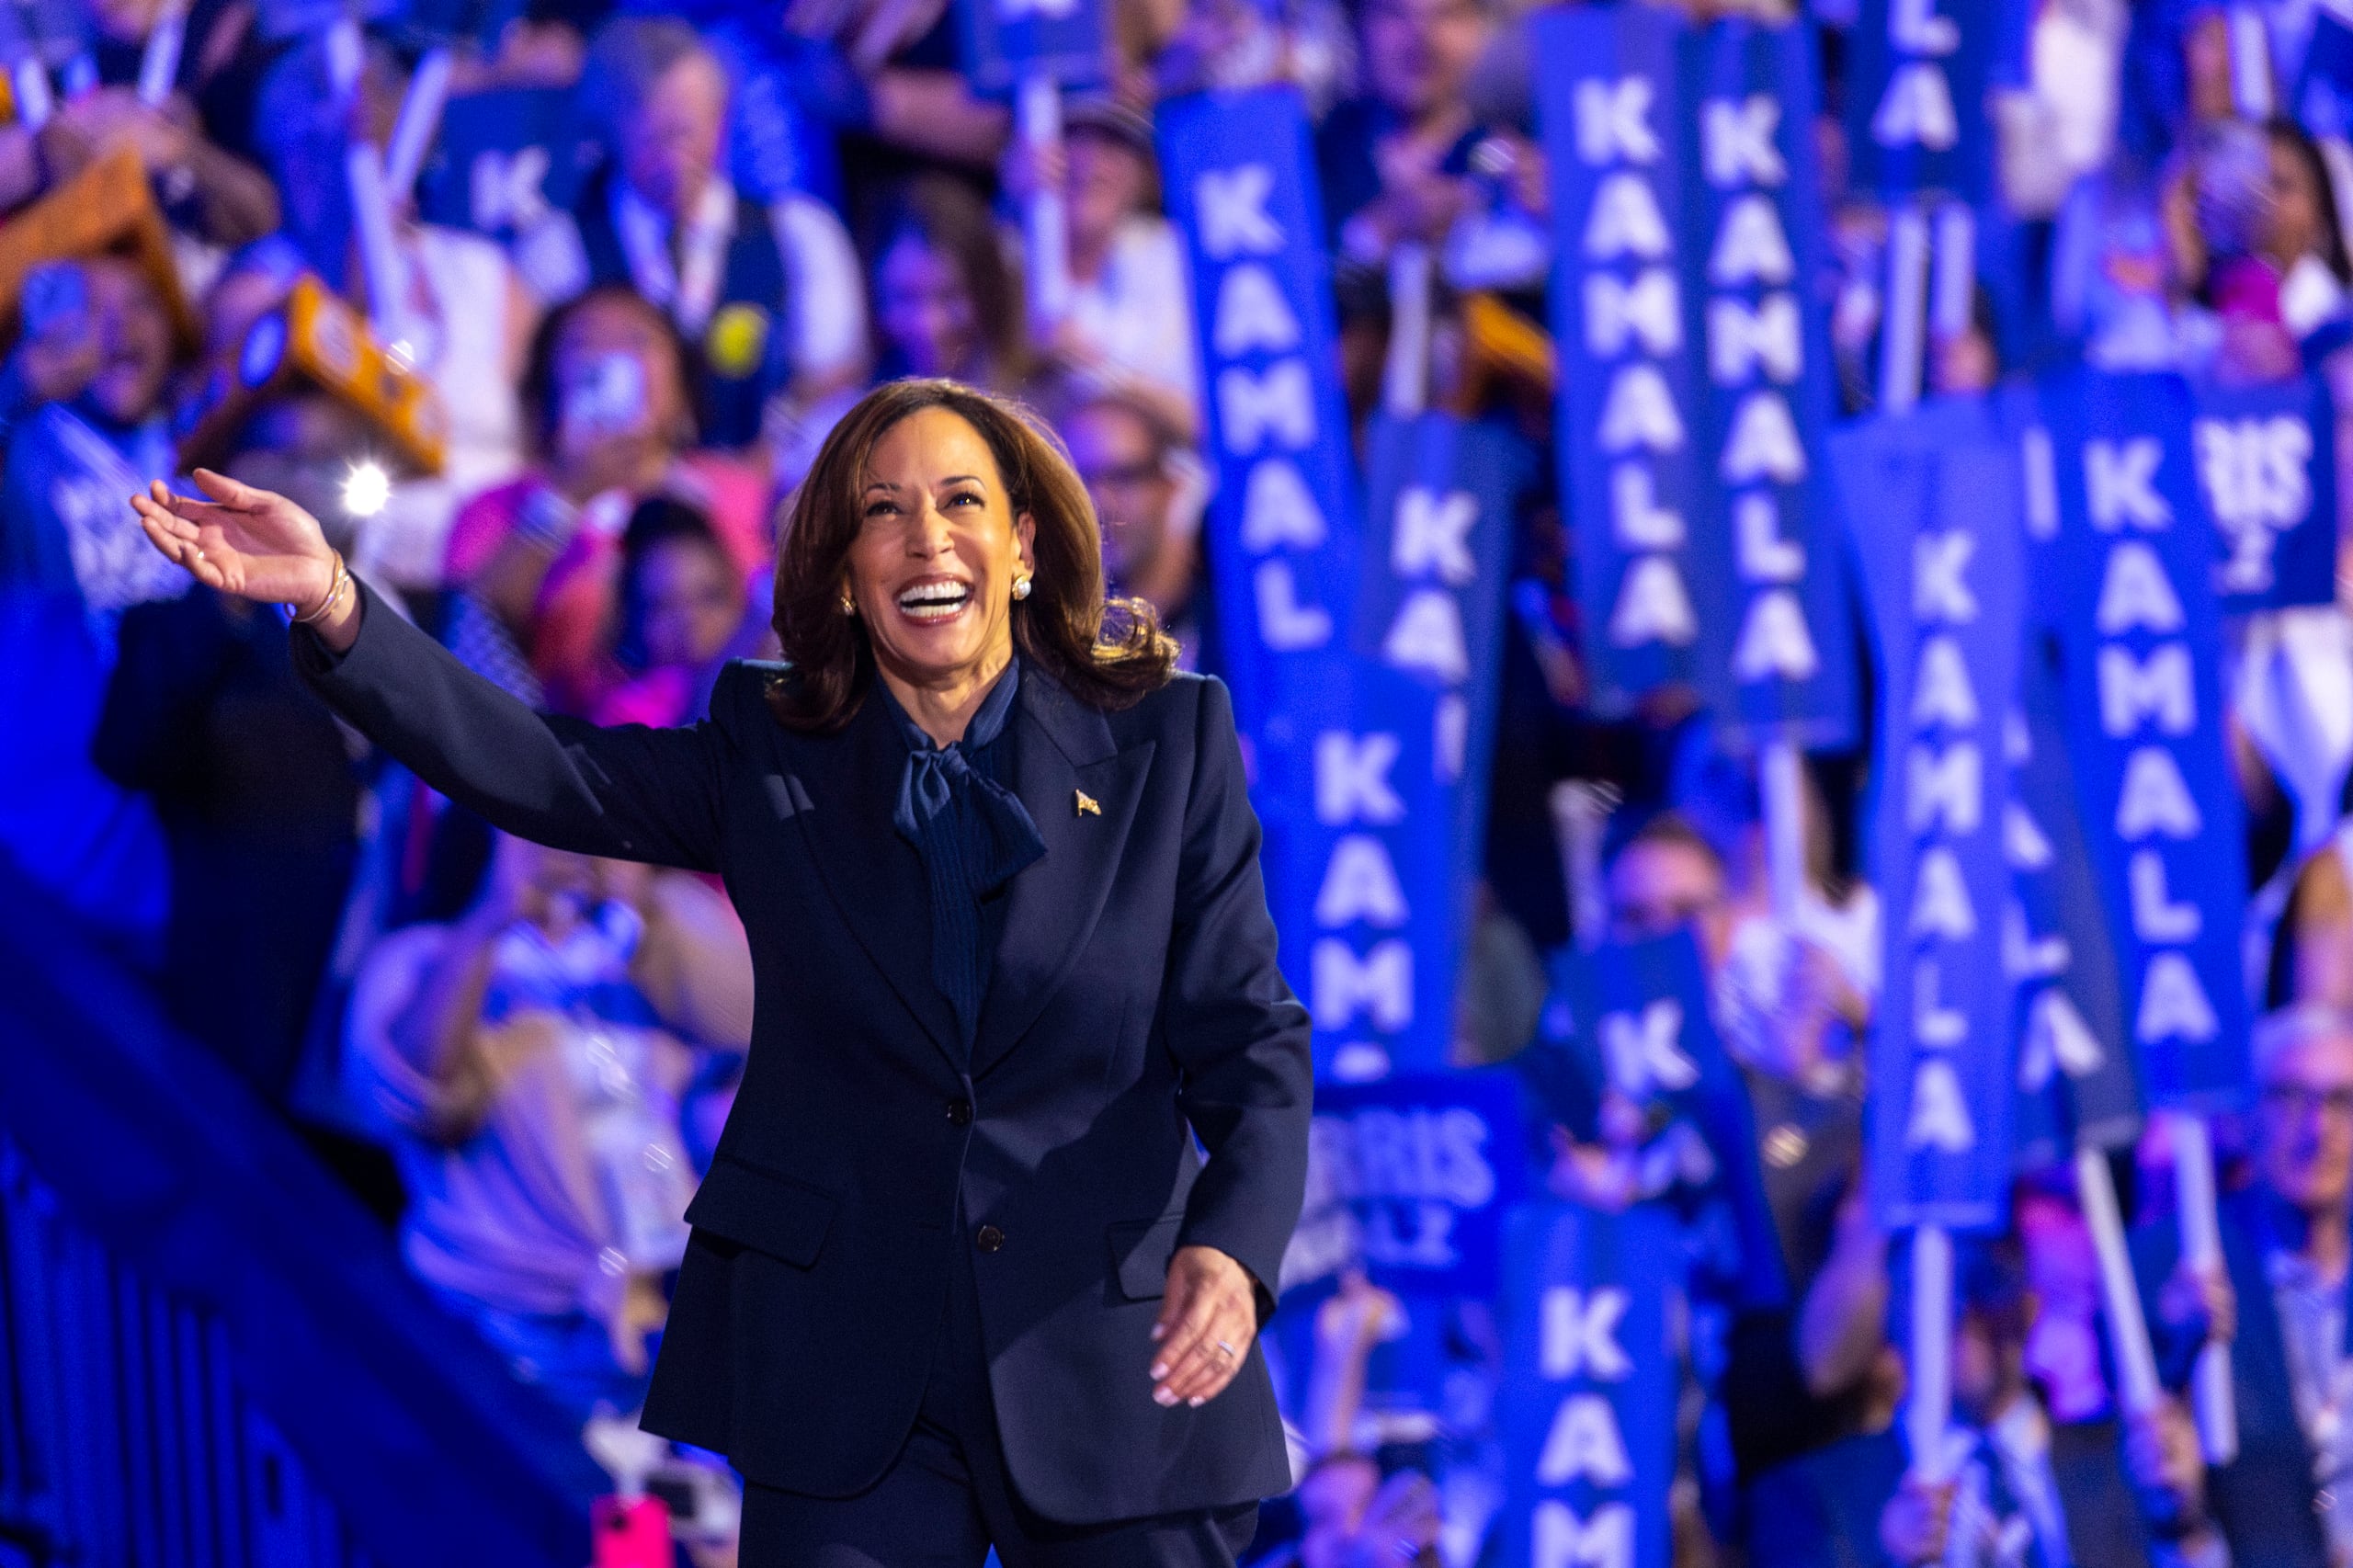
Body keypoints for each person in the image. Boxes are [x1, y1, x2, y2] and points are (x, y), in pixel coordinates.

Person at [131, 376, 1313, 1562]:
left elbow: (1249, 1039)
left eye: (961, 499)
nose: (926, 536)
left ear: (1022, 545)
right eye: (882, 510)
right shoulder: (773, 753)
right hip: (851, 1366)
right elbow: (543, 769)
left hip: (1107, 1340)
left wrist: (1233, 1243)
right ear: (846, 572)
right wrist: (339, 603)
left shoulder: (1170, 741)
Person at [347, 832, 752, 1423]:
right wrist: (495, 913)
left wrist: (638, 915)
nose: (563, 850)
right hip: (499, 1357)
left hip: (659, 1349)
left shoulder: (646, 948)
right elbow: (411, 1098)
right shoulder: (419, 960)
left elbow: (760, 1030)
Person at [523, 15, 869, 452]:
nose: (673, 160)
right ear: (610, 134)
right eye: (651, 140)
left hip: (769, 494)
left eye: (685, 132)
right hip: (615, 499)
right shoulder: (558, 249)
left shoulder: (799, 232)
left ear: (721, 121)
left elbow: (834, 375)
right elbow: (540, 408)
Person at [442, 286, 772, 715]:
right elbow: (473, 635)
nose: (614, 359)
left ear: (682, 387)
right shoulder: (497, 510)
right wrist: (567, 497)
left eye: (639, 340)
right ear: (547, 384)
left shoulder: (742, 493)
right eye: (584, 343)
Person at [1748, 1238, 2159, 1568]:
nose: (1961, 1307)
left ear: (2029, 1305)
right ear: (1889, 1324)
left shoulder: (2131, 1462)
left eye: (1984, 1280)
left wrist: (2183, 1527)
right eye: (1929, 1286)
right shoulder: (1812, 1499)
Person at [2133, 1003, 2353, 1568]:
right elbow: (2137, 1476)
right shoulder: (2176, 1264)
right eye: (2289, 1098)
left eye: (2341, 1102)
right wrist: (2179, 1358)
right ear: (2244, 1117)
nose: (2317, 1129)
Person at [1001, 97, 1200, 435]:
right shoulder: (999, 262)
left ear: (1142, 175)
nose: (1090, 163)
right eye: (1070, 142)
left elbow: (1200, 424)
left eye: (1112, 147)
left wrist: (1093, 368)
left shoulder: (1172, 258)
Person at [592, 497, 777, 730]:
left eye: (711, 597)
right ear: (628, 622)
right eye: (664, 605)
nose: (690, 620)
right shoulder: (620, 724)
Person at [1057, 386, 1209, 666]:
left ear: (1172, 485)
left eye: (1123, 477)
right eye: (1079, 482)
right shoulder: (1060, 636)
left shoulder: (1228, 591)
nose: (1100, 502)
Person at [870, 175, 1034, 393]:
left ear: (988, 293)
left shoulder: (1045, 408)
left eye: (950, 297)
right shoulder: (842, 417)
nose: (928, 325)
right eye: (906, 297)